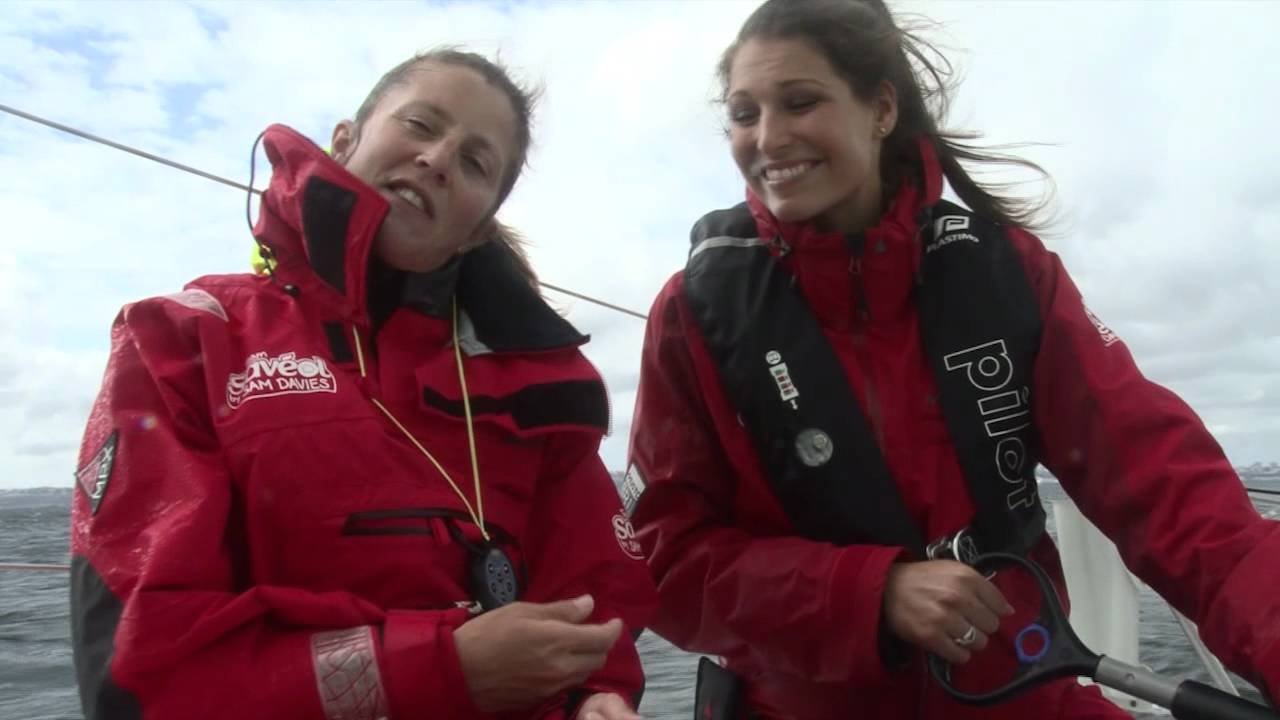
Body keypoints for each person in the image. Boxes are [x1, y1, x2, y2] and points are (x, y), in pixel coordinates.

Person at [625, 1, 1280, 718]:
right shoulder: (693, 314)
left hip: (1018, 690)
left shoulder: (1007, 276)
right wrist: (871, 593)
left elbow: (1165, 487)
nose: (768, 138)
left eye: (800, 102)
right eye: (744, 113)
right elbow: (666, 563)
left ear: (880, 108)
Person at [70, 48, 654, 720]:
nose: (437, 158)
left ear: (477, 228)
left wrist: (597, 692)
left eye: (474, 162)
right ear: (345, 139)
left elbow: (596, 598)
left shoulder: (544, 384)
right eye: (421, 124)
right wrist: (441, 667)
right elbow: (142, 677)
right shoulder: (183, 342)